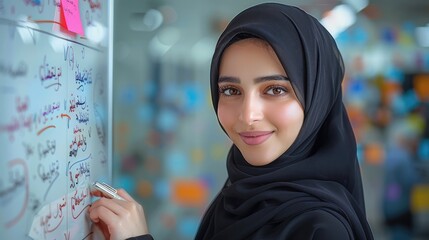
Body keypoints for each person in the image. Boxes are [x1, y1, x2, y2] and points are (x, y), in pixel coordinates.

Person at [88, 3, 374, 239]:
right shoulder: (239, 196)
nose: (248, 115)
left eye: (276, 90)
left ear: (317, 99)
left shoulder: (320, 228)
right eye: (231, 91)